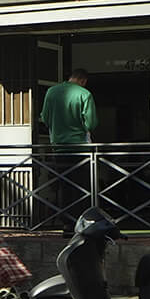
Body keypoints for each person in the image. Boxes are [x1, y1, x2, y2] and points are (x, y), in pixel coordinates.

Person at [40, 68, 98, 228]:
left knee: (65, 186)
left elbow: (45, 118)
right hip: (80, 148)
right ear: (83, 81)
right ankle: (82, 223)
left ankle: (67, 224)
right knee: (82, 188)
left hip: (59, 148)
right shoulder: (84, 94)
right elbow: (91, 123)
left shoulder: (51, 92)